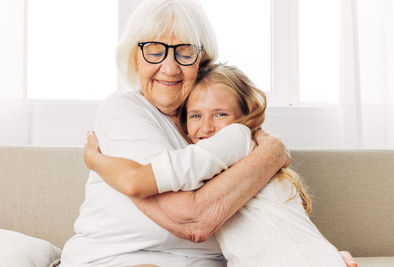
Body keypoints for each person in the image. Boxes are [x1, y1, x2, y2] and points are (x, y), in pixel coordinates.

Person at [61, 0, 357, 266]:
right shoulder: (124, 109)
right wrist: (271, 153)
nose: (169, 67)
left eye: (185, 51)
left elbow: (268, 203)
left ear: (203, 61)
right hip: (120, 258)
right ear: (134, 58)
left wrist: (320, 252)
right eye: (154, 51)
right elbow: (192, 220)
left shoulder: (214, 124)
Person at [84, 63, 351, 267]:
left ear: (243, 116)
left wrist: (96, 161)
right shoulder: (248, 162)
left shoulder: (236, 138)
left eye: (220, 114)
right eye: (196, 115)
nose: (207, 127)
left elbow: (140, 181)